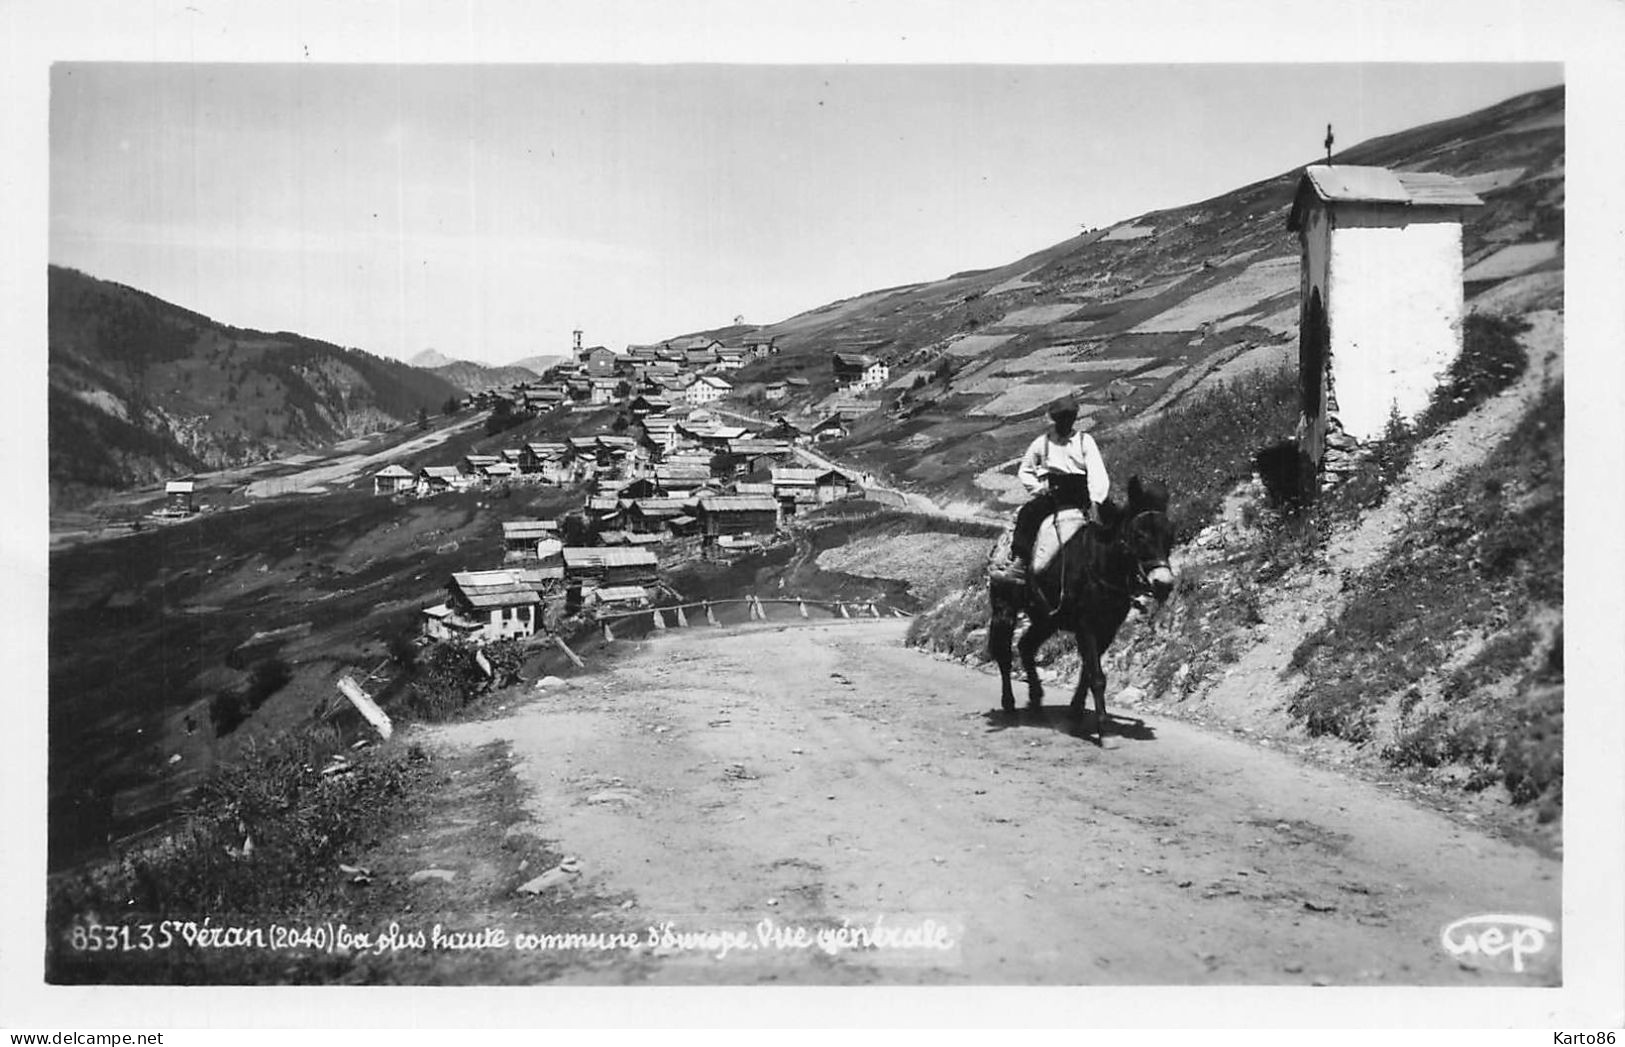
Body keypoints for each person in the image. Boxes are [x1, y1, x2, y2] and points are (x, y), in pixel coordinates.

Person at [1003, 396, 1110, 582]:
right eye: (1061, 419)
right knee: (1028, 513)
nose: (1065, 423)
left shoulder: (1085, 441)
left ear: (1074, 419)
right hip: (1054, 494)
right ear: (1055, 420)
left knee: (1115, 519)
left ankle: (1126, 571)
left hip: (1081, 493)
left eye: (1069, 418)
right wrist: (1038, 489)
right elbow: (1025, 470)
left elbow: (1097, 472)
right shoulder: (1042, 443)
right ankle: (1021, 561)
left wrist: (1096, 500)